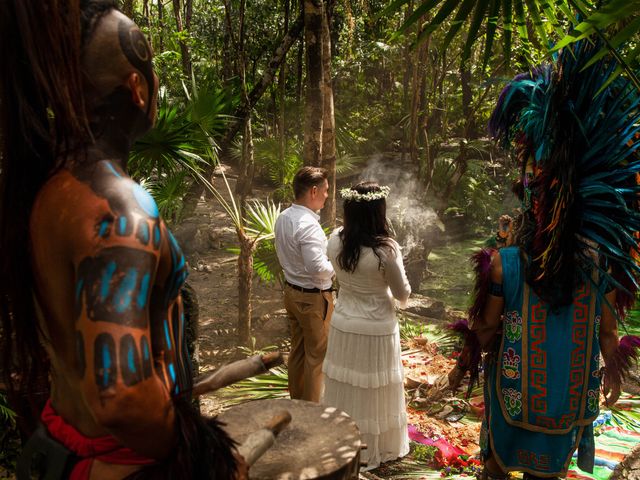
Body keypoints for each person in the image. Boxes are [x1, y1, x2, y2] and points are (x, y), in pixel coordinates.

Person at [0, 1, 244, 478]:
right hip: (123, 464)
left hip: (64, 444)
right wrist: (201, 455)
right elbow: (122, 396)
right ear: (137, 88)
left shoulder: (49, 189)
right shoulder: (121, 208)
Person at [466, 40, 640, 480]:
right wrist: (614, 374)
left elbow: (486, 329)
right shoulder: (596, 260)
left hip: (514, 395)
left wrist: (472, 353)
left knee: (496, 470)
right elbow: (606, 330)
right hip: (568, 398)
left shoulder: (506, 263)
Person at [322, 182, 411, 470]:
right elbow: (402, 293)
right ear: (378, 212)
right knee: (373, 390)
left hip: (343, 324)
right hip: (376, 330)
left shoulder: (335, 239)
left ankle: (341, 441)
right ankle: (375, 447)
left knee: (347, 385)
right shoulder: (386, 250)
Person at [274, 166, 335, 402]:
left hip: (291, 293)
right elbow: (317, 268)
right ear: (313, 191)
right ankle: (312, 414)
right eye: (326, 190)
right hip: (312, 298)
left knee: (298, 353)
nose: (327, 195)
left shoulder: (284, 217)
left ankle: (297, 405)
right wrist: (338, 267)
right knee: (317, 358)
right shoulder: (308, 225)